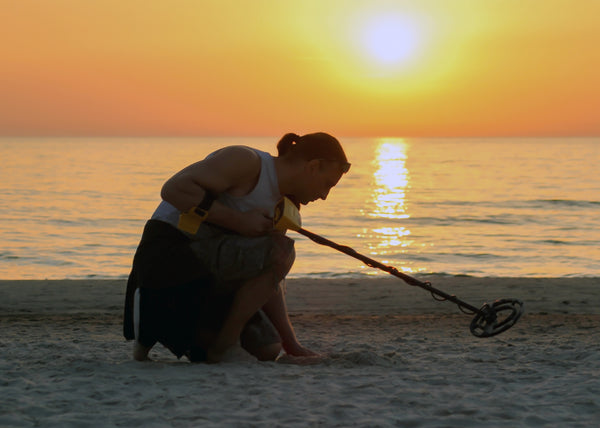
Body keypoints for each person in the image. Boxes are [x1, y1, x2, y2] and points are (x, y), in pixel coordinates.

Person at [123, 132, 350, 363]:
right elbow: (173, 190)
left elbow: (269, 274)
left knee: (267, 348)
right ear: (314, 166)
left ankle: (191, 337)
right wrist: (238, 221)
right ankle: (220, 344)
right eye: (327, 184)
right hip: (168, 257)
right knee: (280, 250)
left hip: (207, 281)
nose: (324, 196)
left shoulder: (284, 205)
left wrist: (290, 344)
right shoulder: (246, 162)